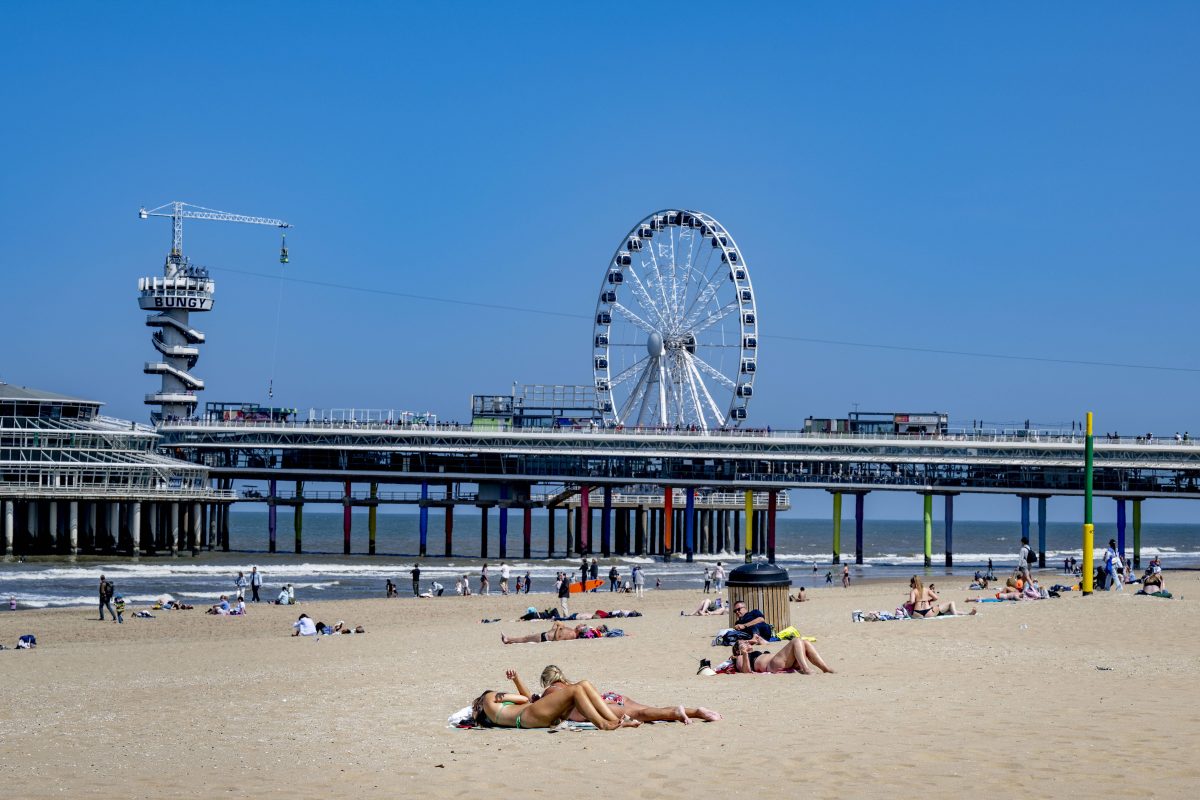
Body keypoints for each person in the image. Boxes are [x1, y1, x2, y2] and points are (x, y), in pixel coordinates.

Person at [513, 665, 721, 724]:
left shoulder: (551, 692)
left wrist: (516, 680)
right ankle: (695, 711)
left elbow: (531, 701)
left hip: (601, 707)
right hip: (610, 697)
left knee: (643, 714)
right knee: (645, 710)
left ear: (546, 681)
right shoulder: (570, 684)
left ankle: (679, 713)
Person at [469, 681, 639, 730]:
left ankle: (616, 721)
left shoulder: (494, 715)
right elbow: (523, 699)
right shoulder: (488, 697)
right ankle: (603, 723)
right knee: (575, 690)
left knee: (583, 685)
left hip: (530, 718)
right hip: (528, 715)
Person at [731, 638, 835, 675]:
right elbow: (746, 671)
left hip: (780, 661)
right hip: (772, 665)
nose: (746, 643)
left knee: (805, 642)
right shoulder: (739, 657)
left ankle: (825, 668)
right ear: (737, 650)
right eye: (742, 643)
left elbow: (761, 641)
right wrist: (744, 654)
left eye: (746, 641)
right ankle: (805, 668)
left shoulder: (754, 651)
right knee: (796, 640)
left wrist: (755, 640)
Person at [908, 576, 976, 617]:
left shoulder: (913, 591)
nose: (911, 586)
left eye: (911, 584)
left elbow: (912, 602)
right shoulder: (926, 589)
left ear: (914, 583)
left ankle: (968, 613)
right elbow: (936, 598)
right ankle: (958, 614)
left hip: (917, 614)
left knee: (948, 612)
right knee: (951, 603)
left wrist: (907, 603)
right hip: (928, 613)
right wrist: (929, 600)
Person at [500, 621, 609, 644]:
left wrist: (558, 628)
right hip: (546, 634)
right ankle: (509, 640)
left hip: (546, 638)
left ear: (580, 629)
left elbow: (557, 639)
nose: (579, 624)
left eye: (581, 625)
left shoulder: (572, 635)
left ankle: (508, 639)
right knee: (525, 638)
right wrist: (556, 627)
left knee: (524, 639)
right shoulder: (571, 630)